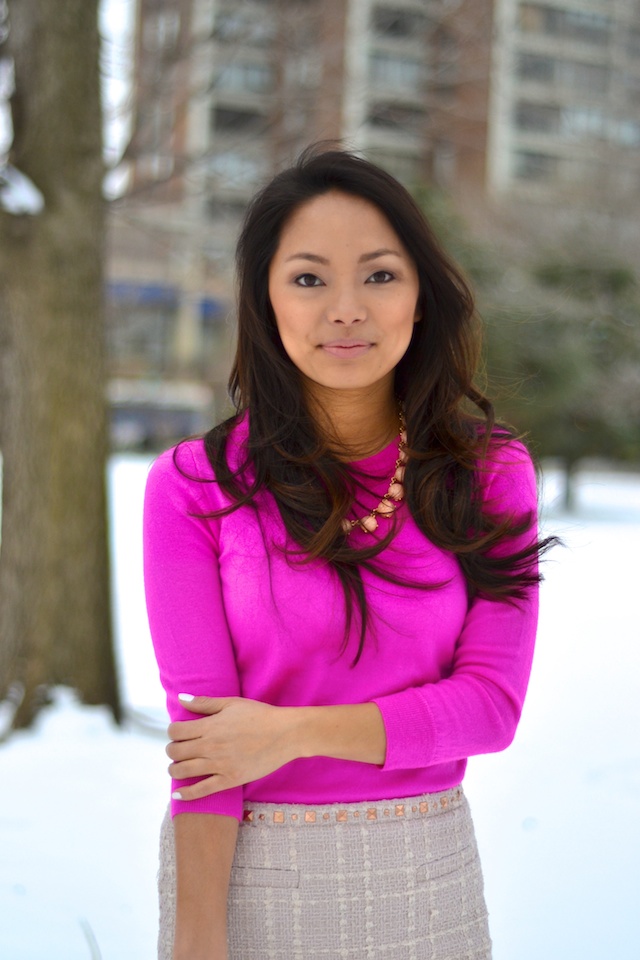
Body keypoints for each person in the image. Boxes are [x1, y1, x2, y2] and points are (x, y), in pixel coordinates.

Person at [143, 147, 550, 960]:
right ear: (264, 301)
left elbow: (490, 709)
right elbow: (210, 750)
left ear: (422, 297)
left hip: (426, 876)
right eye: (307, 278)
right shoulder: (194, 487)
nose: (345, 309)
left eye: (378, 275)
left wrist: (290, 733)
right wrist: (196, 940)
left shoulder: (489, 472)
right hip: (249, 876)